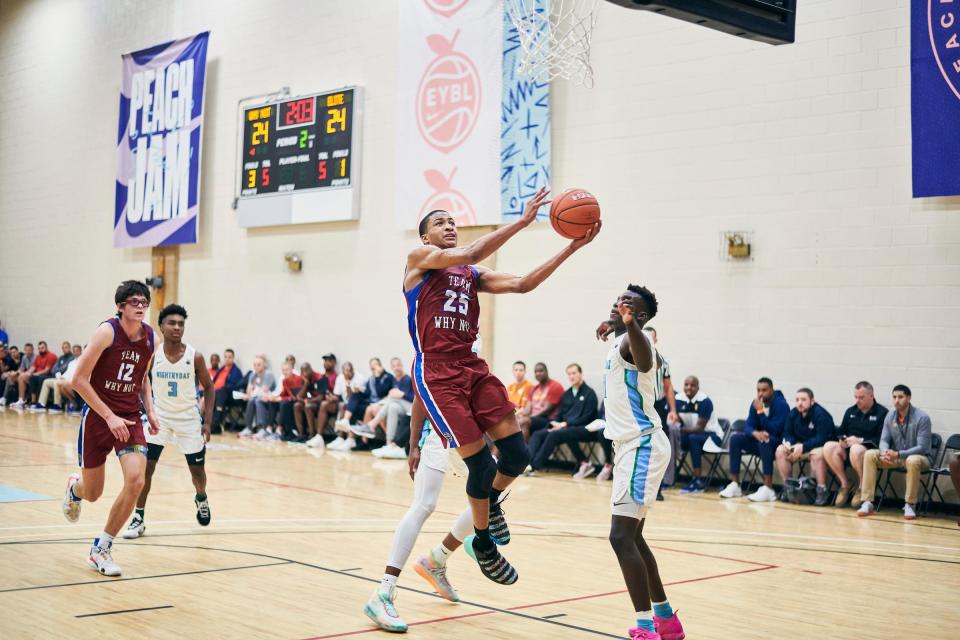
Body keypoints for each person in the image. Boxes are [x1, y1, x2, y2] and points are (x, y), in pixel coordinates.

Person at [403, 191, 599, 585]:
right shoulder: (418, 262)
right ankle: (483, 543)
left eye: (453, 223)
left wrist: (572, 247)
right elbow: (472, 251)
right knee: (481, 464)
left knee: (517, 454)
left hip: (472, 367)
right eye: (441, 223)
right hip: (438, 374)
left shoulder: (471, 276)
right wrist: (523, 222)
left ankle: (489, 504)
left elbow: (524, 284)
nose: (450, 227)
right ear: (425, 237)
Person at [596, 286, 684, 640]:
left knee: (620, 537)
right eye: (617, 301)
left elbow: (643, 359)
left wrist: (629, 325)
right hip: (633, 446)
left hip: (641, 444)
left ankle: (646, 627)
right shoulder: (624, 337)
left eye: (628, 304)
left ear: (642, 316)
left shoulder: (640, 338)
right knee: (634, 538)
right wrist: (617, 323)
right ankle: (666, 621)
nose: (619, 305)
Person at [61, 280, 160, 577]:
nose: (140, 307)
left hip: (129, 418)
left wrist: (151, 411)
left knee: (136, 481)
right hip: (98, 417)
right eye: (134, 302)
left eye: (144, 302)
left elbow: (142, 378)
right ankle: (74, 489)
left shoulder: (151, 338)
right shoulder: (107, 332)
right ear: (120, 306)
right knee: (93, 492)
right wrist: (109, 416)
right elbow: (78, 379)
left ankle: (101, 548)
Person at [364, 387, 474, 631]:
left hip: (464, 433)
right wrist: (413, 445)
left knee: (486, 499)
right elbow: (421, 393)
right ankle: (383, 593)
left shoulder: (471, 351)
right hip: (437, 435)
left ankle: (436, 560)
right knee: (424, 504)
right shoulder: (434, 352)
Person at [123, 304, 215, 539]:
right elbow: (139, 383)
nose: (177, 327)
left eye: (181, 324)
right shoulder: (153, 355)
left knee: (197, 472)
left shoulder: (195, 356)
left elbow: (210, 387)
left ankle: (201, 497)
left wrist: (207, 422)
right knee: (147, 470)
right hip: (159, 418)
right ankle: (139, 518)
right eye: (172, 323)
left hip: (188, 419)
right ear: (161, 327)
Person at [858, 385, 933, 520]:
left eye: (900, 397)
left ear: (909, 398)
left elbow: (922, 447)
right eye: (894, 397)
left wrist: (898, 454)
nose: (896, 400)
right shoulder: (890, 416)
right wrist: (885, 452)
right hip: (896, 457)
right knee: (869, 454)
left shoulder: (922, 418)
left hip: (920, 458)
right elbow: (884, 440)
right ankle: (867, 502)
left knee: (912, 460)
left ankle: (910, 504)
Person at [811, 381, 887, 508]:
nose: (857, 400)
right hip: (849, 450)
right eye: (856, 397)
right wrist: (842, 440)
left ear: (871, 396)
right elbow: (840, 432)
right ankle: (845, 484)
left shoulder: (882, 413)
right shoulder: (850, 411)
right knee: (829, 446)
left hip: (869, 451)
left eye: (861, 397)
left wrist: (860, 440)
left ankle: (863, 487)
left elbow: (882, 439)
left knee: (856, 449)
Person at [719, 377, 790, 502]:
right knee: (735, 438)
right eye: (758, 390)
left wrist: (761, 411)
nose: (761, 393)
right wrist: (755, 433)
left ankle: (768, 488)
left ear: (772, 390)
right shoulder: (755, 403)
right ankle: (735, 484)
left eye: (764, 390)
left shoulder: (781, 405)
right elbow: (747, 426)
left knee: (765, 440)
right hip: (761, 441)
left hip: (777, 443)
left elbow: (775, 430)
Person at [526, 364, 599, 476]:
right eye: (569, 374)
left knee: (555, 434)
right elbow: (560, 414)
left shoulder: (590, 393)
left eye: (574, 373)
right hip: (564, 427)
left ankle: (534, 466)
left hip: (582, 428)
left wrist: (565, 424)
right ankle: (527, 463)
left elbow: (587, 417)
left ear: (580, 374)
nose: (571, 376)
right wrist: (554, 423)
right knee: (538, 434)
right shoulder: (567, 394)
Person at [775, 388, 834, 504]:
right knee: (780, 451)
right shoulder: (793, 413)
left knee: (817, 454)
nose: (799, 403)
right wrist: (788, 443)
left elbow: (822, 438)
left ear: (812, 401)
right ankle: (789, 488)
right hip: (799, 447)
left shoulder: (821, 414)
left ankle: (821, 490)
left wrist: (803, 446)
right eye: (797, 400)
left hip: (819, 446)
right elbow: (787, 433)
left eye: (803, 400)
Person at [643, 327, 680, 491]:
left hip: (657, 405)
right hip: (641, 405)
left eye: (652, 338)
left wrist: (673, 410)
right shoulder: (635, 359)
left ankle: (657, 486)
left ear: (656, 340)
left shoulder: (663, 361)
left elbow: (668, 387)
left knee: (659, 445)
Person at [676, 376, 724, 494]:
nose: (689, 387)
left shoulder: (705, 401)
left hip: (713, 437)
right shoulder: (678, 399)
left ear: (698, 387)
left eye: (692, 385)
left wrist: (680, 430)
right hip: (693, 435)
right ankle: (668, 478)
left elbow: (699, 428)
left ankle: (698, 481)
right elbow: (677, 421)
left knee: (693, 438)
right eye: (686, 384)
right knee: (670, 438)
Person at [370, 357, 417, 459]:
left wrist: (402, 395)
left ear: (402, 365)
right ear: (392, 368)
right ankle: (389, 443)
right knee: (392, 406)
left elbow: (416, 399)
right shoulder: (394, 380)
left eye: (399, 365)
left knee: (392, 400)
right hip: (399, 407)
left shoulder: (408, 379)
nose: (397, 368)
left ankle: (373, 423)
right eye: (394, 366)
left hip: (411, 408)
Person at [516, 362, 564, 441]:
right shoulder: (534, 389)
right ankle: (499, 453)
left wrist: (528, 418)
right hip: (533, 420)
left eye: (541, 371)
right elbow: (527, 409)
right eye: (536, 372)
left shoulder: (555, 386)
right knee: (512, 423)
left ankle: (524, 452)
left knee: (524, 421)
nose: (538, 373)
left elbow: (547, 411)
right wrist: (519, 415)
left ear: (546, 371)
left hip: (548, 421)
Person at [237, 355, 275, 438]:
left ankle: (262, 428)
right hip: (257, 397)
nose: (256, 367)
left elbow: (264, 390)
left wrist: (252, 392)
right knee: (251, 400)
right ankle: (248, 428)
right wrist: (252, 384)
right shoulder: (253, 375)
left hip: (270, 399)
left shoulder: (268, 374)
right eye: (255, 365)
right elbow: (248, 391)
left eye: (259, 365)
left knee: (257, 400)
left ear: (264, 365)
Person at [37, 343, 81, 412]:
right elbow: (54, 369)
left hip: (70, 380)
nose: (75, 352)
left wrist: (60, 374)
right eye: (74, 351)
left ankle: (58, 405)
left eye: (66, 347)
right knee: (46, 381)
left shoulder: (74, 359)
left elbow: (65, 370)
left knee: (57, 383)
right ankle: (41, 403)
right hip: (60, 377)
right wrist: (60, 376)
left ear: (80, 351)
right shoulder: (69, 361)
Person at [296, 362, 329, 447]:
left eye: (306, 371)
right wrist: (306, 384)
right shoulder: (305, 379)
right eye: (302, 372)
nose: (304, 373)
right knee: (297, 406)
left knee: (307, 406)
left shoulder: (320, 378)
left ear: (311, 370)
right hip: (311, 402)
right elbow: (299, 396)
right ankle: (301, 434)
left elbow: (321, 397)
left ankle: (312, 435)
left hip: (320, 404)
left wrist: (309, 401)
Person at [211, 348, 244, 432]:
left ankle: (216, 423)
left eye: (229, 357)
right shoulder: (220, 370)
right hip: (216, 393)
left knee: (222, 390)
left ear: (233, 358)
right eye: (225, 357)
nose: (227, 359)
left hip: (230, 396)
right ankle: (202, 422)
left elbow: (236, 387)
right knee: (206, 394)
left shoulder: (236, 371)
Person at [22, 340, 57, 409]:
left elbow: (46, 371)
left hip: (49, 375)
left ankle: (40, 402)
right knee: (30, 377)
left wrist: (35, 374)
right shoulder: (38, 356)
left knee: (37, 378)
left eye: (42, 348)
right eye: (39, 348)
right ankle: (33, 402)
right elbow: (33, 367)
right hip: (39, 375)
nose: (41, 350)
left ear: (46, 348)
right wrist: (27, 373)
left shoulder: (51, 355)